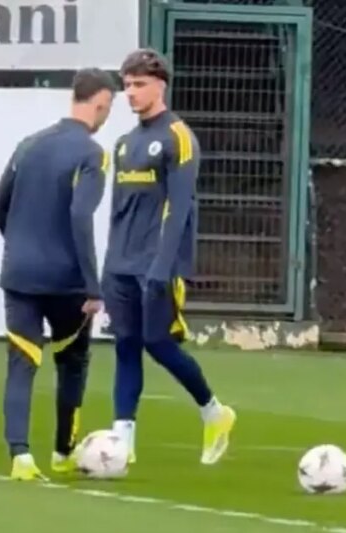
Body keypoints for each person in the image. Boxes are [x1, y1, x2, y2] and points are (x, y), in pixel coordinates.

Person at [104, 48, 236, 464]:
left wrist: (163, 267)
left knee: (158, 343)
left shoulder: (178, 137)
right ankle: (122, 442)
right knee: (126, 346)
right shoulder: (124, 144)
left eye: (139, 84)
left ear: (160, 85)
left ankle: (214, 411)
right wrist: (109, 267)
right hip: (121, 265)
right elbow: (118, 211)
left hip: (156, 265)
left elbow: (179, 209)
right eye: (127, 85)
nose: (131, 93)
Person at [0, 68, 115, 481]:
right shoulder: (92, 154)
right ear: (100, 103)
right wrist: (93, 287)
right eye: (107, 108)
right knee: (73, 361)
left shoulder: (28, 145)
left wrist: (21, 244)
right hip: (67, 280)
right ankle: (63, 451)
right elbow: (80, 216)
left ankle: (20, 457)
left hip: (20, 274)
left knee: (22, 362)